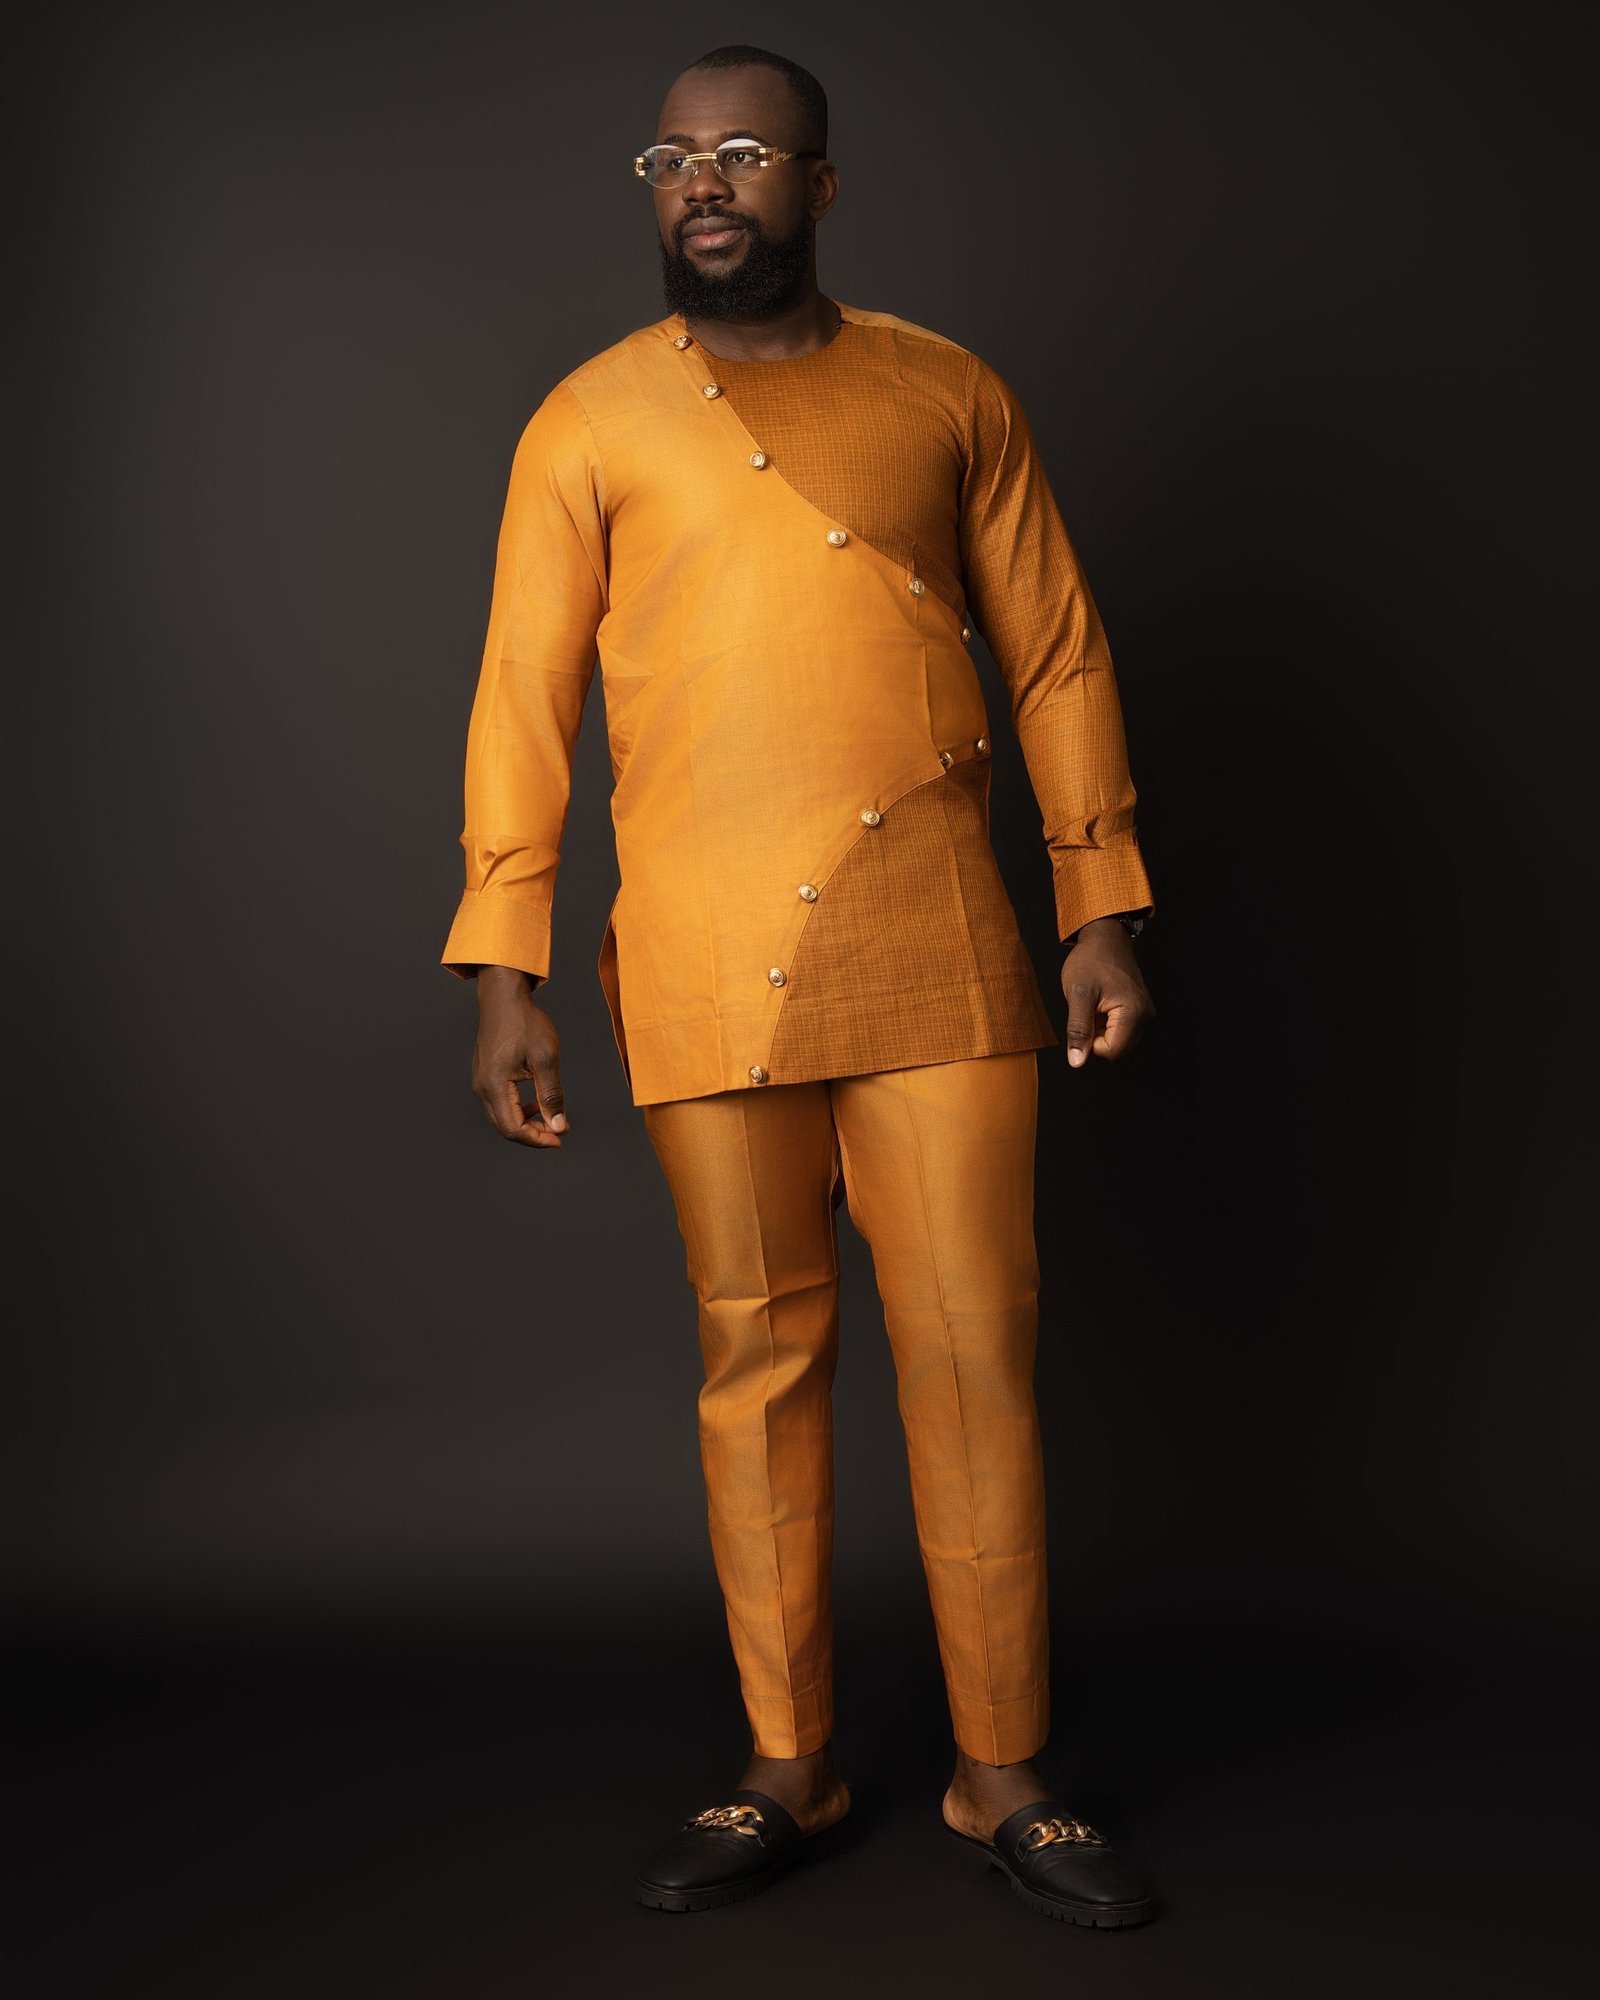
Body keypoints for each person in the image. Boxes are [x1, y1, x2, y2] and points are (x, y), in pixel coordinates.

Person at [440, 43, 1161, 1928]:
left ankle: (1002, 1771)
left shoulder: (946, 391)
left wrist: (1098, 898)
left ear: (820, 185)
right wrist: (506, 957)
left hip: (941, 947)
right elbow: (522, 697)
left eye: (748, 152)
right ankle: (790, 1762)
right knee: (756, 1362)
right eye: (673, 157)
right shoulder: (587, 420)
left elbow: (1056, 651)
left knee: (974, 1358)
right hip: (699, 956)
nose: (706, 180)